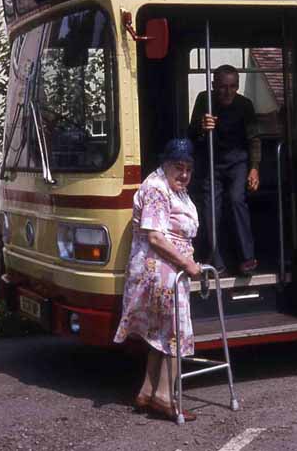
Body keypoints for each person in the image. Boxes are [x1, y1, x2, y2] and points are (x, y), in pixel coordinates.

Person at [114, 138, 201, 422]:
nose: (184, 174)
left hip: (166, 268)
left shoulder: (173, 188)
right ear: (165, 165)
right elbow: (155, 236)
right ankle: (165, 398)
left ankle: (147, 392)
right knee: (176, 332)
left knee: (160, 334)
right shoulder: (155, 189)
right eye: (179, 167)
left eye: (188, 168)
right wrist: (187, 262)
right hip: (160, 269)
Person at [188, 64, 260, 276]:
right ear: (213, 86)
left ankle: (247, 258)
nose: (228, 92)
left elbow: (254, 139)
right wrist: (202, 126)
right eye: (222, 87)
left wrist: (254, 169)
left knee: (237, 199)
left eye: (233, 87)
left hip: (238, 162)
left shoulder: (245, 105)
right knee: (211, 208)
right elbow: (190, 133)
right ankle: (216, 260)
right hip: (212, 162)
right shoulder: (204, 100)